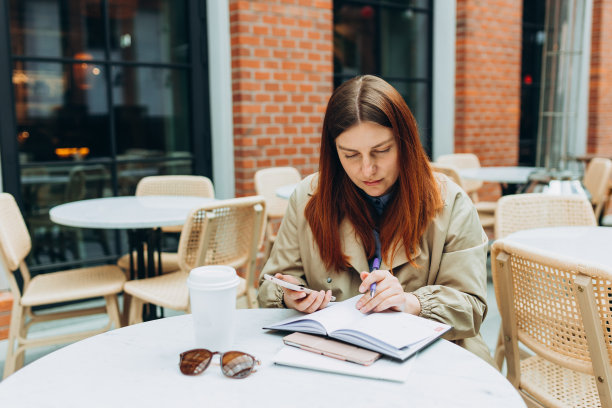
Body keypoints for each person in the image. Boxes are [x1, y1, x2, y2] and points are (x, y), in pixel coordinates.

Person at [257, 75, 492, 363]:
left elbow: (471, 307)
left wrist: (410, 302)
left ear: (405, 143)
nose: (367, 170)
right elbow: (270, 287)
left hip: (434, 362)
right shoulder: (307, 198)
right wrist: (288, 293)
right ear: (333, 152)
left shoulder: (450, 202)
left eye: (381, 151)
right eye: (351, 155)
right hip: (334, 358)